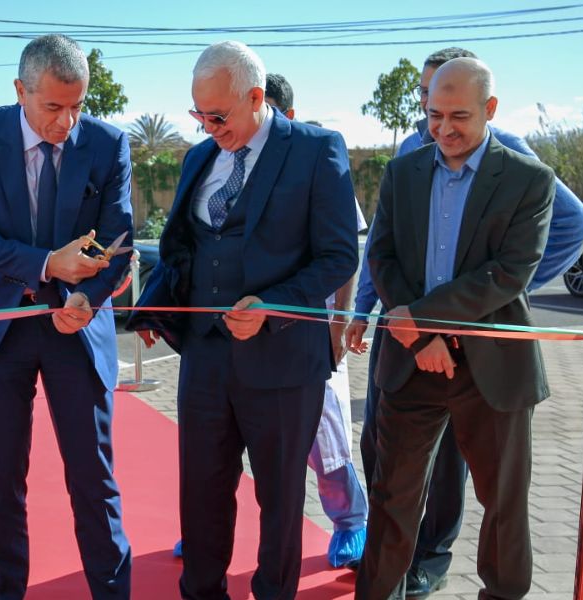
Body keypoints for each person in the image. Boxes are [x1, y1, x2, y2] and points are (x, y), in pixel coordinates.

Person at [345, 46, 583, 598]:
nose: (445, 129)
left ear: (491, 109)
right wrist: (423, 334)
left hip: (491, 368)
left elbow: (509, 273)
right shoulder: (402, 171)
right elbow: (382, 257)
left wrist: (426, 320)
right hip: (410, 363)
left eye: (459, 117)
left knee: (503, 503)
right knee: (392, 499)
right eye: (435, 116)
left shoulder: (529, 179)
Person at [128, 41, 358, 598]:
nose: (207, 127)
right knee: (202, 493)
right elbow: (185, 243)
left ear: (257, 98)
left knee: (279, 499)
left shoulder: (316, 150)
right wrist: (155, 304)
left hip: (283, 361)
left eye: (218, 115)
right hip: (205, 358)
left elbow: (338, 256)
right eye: (197, 114)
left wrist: (272, 307)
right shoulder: (198, 157)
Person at [0, 34, 134, 600]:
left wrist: (88, 298)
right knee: (1, 483)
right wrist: (48, 264)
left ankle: (112, 591)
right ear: (19, 91)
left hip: (74, 329)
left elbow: (118, 246)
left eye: (77, 106)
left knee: (92, 480)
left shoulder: (107, 144)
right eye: (53, 107)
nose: (66, 122)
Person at [265, 72, 369, 570]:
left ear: (284, 114)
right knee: (246, 437)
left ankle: (350, 522)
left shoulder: (321, 160)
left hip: (316, 329)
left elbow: (348, 253)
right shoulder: (232, 162)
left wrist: (340, 323)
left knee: (325, 438)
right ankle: (209, 529)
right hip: (256, 329)